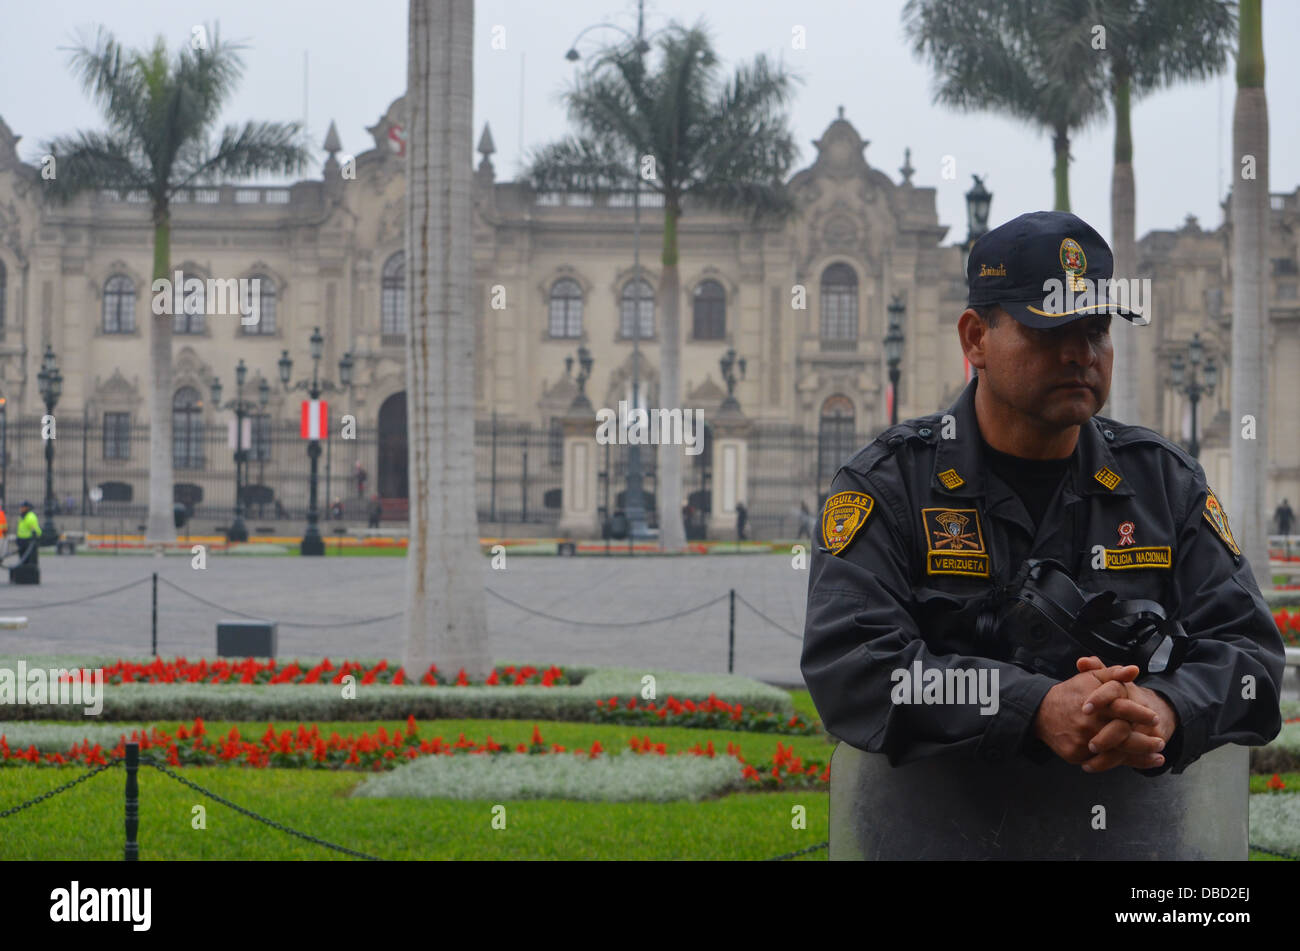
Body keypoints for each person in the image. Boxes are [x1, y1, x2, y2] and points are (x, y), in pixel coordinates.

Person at [802, 212, 1283, 840]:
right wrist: (1031, 708)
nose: (1080, 353)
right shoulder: (890, 487)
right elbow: (852, 667)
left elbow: (1252, 658)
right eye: (1049, 328)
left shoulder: (1165, 486)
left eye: (1096, 329)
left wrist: (1164, 707)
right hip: (936, 844)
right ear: (975, 337)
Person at [15, 500, 41, 566]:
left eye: (22, 507)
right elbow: (20, 528)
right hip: (21, 540)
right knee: (22, 558)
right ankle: (23, 571)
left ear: (27, 508)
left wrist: (34, 536)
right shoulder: (22, 516)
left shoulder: (31, 517)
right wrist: (17, 538)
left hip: (28, 541)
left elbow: (35, 529)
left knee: (29, 559)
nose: (20, 508)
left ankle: (29, 571)